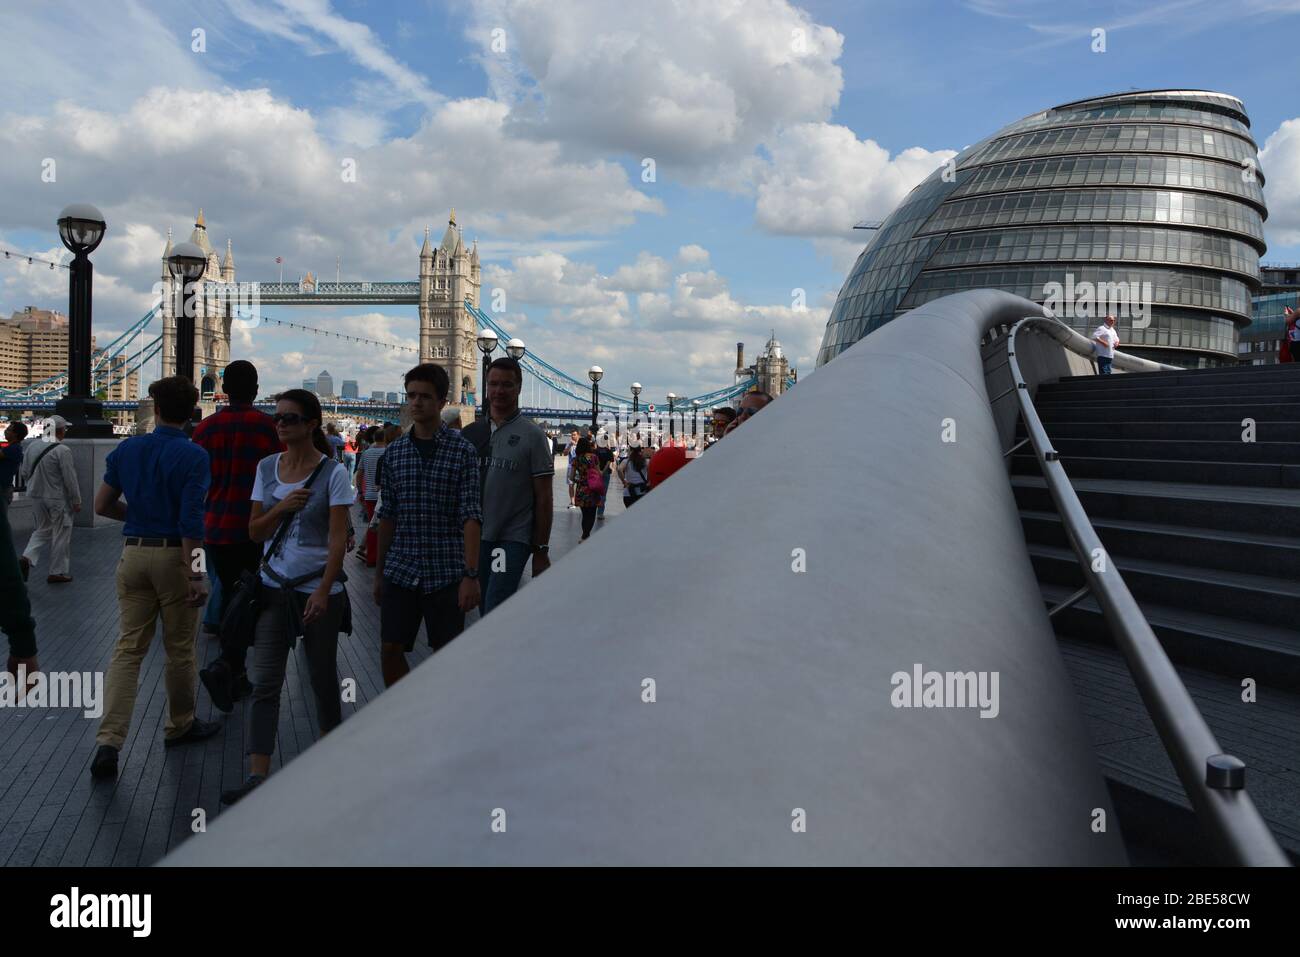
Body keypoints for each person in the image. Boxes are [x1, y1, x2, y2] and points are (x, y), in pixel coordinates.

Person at [220, 390, 353, 805]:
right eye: (277, 418)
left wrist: (324, 591)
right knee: (265, 683)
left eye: (290, 419)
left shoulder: (333, 473)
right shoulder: (266, 468)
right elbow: (254, 531)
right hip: (273, 587)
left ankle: (331, 766)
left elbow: (337, 540)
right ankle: (257, 775)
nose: (280, 425)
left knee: (322, 679)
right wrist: (282, 507)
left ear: (311, 424)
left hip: (317, 589)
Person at [91, 377, 220, 779]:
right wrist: (197, 572)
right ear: (191, 411)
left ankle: (109, 741)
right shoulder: (194, 456)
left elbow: (102, 505)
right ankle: (180, 725)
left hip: (133, 554)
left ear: (156, 407)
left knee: (128, 649)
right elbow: (191, 521)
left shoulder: (128, 449)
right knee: (179, 649)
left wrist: (140, 519)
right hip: (174, 557)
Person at [374, 363, 481, 687]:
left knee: (446, 656)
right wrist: (379, 574)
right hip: (400, 569)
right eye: (411, 396)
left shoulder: (463, 452)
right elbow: (387, 516)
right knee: (390, 649)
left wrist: (471, 575)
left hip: (446, 571)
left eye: (424, 396)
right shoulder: (393, 454)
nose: (416, 402)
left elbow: (471, 515)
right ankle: (402, 708)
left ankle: (438, 711)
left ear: (442, 401)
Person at [191, 359, 283, 712]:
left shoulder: (205, 429)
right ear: (256, 390)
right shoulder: (267, 428)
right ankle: (227, 666)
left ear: (224, 389)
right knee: (247, 599)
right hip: (255, 529)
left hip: (214, 527)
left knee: (232, 594)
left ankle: (236, 672)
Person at [461, 357, 553, 616]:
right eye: (493, 384)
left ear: (519, 388)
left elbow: (544, 497)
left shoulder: (533, 436)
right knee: (484, 606)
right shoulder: (471, 433)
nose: (499, 391)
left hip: (510, 540)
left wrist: (541, 550)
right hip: (476, 538)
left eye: (507, 385)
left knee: (495, 605)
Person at [19, 415, 80, 584]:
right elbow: (70, 478)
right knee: (61, 534)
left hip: (36, 495)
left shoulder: (32, 446)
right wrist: (76, 500)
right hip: (57, 498)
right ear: (59, 431)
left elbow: (24, 472)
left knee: (42, 529)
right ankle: (57, 572)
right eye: (65, 429)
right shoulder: (63, 450)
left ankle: (27, 557)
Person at [355, 425, 388, 565]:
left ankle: (371, 555)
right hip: (383, 495)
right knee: (382, 527)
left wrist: (360, 491)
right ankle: (374, 557)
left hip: (369, 495)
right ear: (385, 438)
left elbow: (359, 474)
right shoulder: (388, 452)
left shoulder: (366, 453)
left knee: (372, 526)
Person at [572, 436, 602, 541]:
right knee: (592, 514)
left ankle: (585, 535)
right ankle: (586, 535)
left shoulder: (576, 459)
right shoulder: (594, 457)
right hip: (593, 489)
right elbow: (599, 473)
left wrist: (580, 480)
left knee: (585, 515)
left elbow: (571, 477)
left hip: (581, 489)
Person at [0, 421, 27, 509]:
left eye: (8, 430)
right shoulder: (13, 448)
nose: (5, 431)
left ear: (15, 434)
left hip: (3, 488)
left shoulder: (14, 449)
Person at [618, 443, 650, 508]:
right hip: (642, 492)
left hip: (628, 493)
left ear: (631, 451)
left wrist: (624, 481)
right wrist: (649, 481)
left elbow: (619, 469)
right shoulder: (646, 461)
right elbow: (652, 470)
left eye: (628, 450)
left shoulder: (626, 461)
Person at [595, 431, 614, 521]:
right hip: (605, 473)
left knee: (595, 492)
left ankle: (594, 509)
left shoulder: (595, 451)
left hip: (596, 473)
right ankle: (600, 513)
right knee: (603, 493)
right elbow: (608, 462)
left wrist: (599, 470)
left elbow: (596, 462)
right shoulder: (608, 451)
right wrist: (603, 471)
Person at [565, 430, 580, 508]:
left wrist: (576, 445)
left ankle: (578, 500)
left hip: (580, 467)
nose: (573, 436)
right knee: (571, 485)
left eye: (574, 434)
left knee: (579, 485)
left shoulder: (581, 444)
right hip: (571, 467)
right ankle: (572, 502)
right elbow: (565, 453)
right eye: (572, 435)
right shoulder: (569, 444)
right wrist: (570, 446)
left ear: (578, 435)